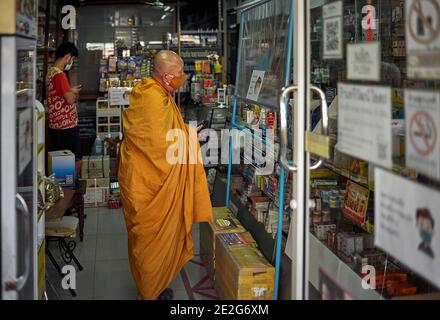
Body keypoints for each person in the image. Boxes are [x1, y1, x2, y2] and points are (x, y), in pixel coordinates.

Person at [118, 50, 213, 300]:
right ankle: (150, 291)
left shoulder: (158, 93)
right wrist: (192, 137)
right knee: (149, 241)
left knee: (153, 242)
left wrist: (187, 132)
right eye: (180, 73)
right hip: (148, 183)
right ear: (168, 76)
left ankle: (155, 286)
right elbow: (158, 145)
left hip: (148, 177)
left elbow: (165, 132)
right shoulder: (150, 98)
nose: (183, 77)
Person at [46, 41, 82, 172]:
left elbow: (59, 93)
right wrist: (74, 94)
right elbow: (70, 100)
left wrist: (69, 89)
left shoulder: (51, 72)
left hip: (55, 125)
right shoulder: (60, 75)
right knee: (76, 160)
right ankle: (72, 189)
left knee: (61, 162)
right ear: (68, 56)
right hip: (66, 127)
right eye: (72, 59)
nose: (71, 62)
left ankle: (64, 189)